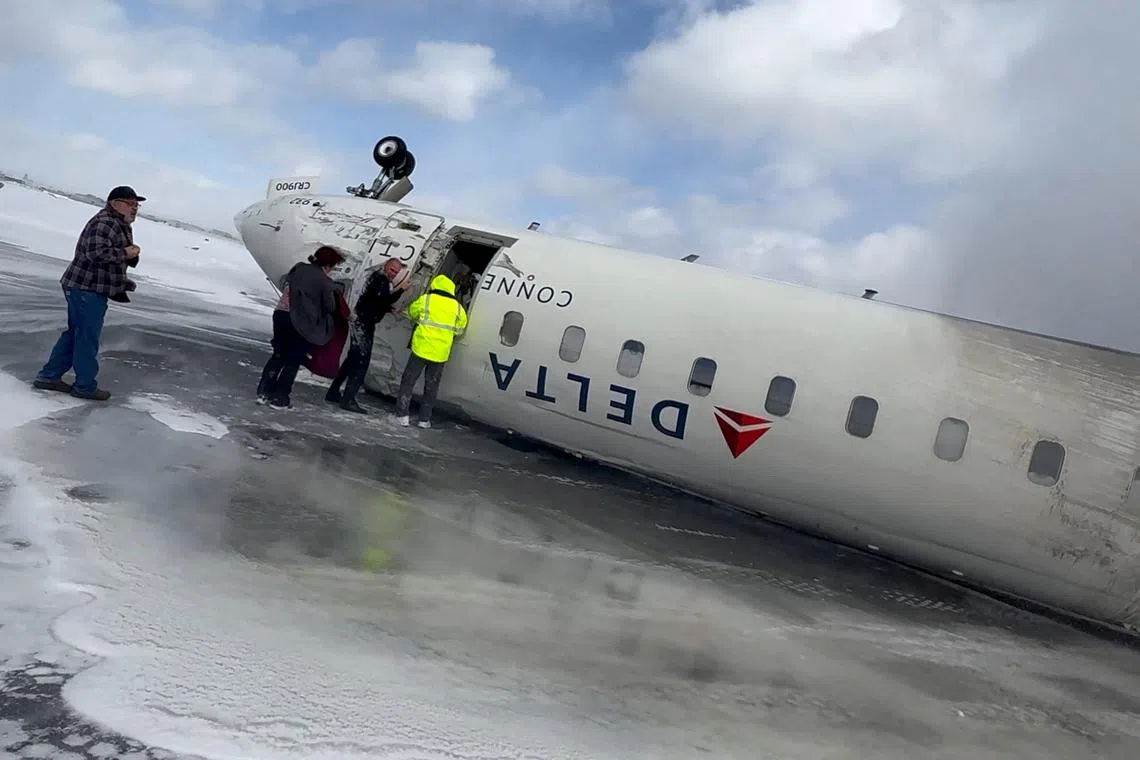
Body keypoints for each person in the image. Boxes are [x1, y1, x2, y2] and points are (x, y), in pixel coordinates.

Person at [32, 185, 145, 401]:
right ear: (115, 204)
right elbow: (96, 254)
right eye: (130, 203)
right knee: (86, 338)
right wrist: (125, 252)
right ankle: (84, 386)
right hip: (86, 288)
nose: (135, 208)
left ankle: (49, 377)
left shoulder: (118, 223)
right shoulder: (105, 223)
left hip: (88, 287)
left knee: (77, 334)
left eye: (136, 204)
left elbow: (108, 256)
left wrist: (129, 257)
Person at [257, 245, 345, 408]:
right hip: (301, 324)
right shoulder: (325, 283)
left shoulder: (298, 268)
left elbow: (286, 282)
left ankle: (264, 391)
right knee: (293, 360)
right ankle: (280, 397)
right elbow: (330, 307)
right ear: (328, 265)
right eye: (334, 266)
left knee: (278, 355)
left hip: (281, 315)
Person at [325, 257, 411, 414]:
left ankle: (334, 391)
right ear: (386, 266)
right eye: (392, 270)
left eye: (396, 272)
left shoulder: (377, 278)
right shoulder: (382, 281)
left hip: (362, 320)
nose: (393, 274)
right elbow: (384, 299)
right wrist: (401, 290)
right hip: (364, 324)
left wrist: (387, 308)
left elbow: (377, 301)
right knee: (361, 363)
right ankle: (348, 399)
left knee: (352, 359)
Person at [393, 273, 468, 429]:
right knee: (431, 387)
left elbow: (413, 313)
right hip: (440, 354)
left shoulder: (426, 299)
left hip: (421, 349)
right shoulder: (458, 308)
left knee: (408, 381)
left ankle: (402, 416)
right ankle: (424, 420)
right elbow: (460, 330)